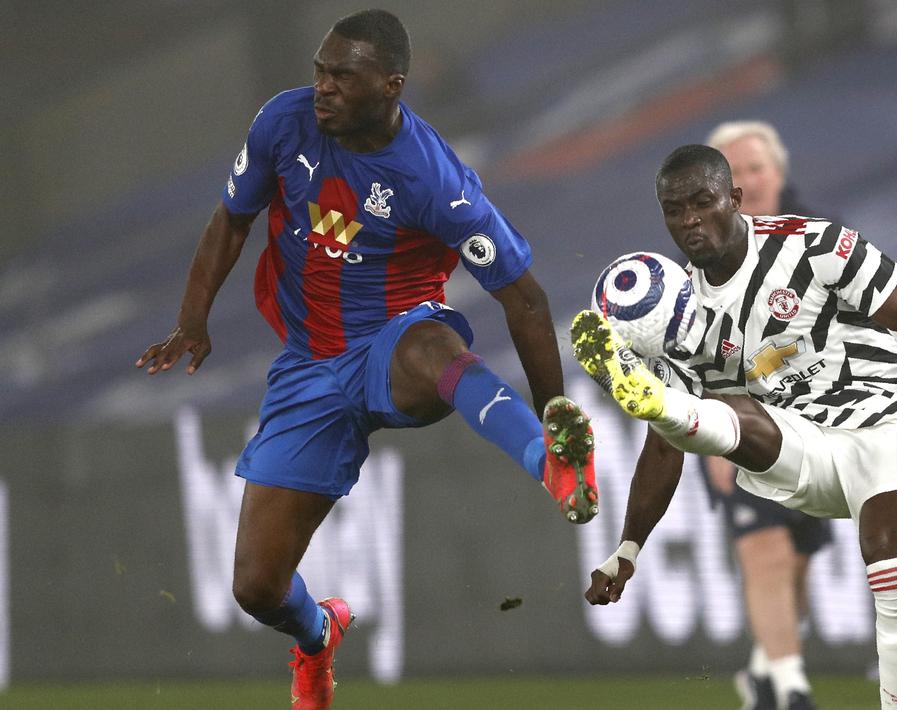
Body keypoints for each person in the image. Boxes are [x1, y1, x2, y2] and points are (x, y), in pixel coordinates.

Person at [134, 10, 597, 709]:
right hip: (307, 367)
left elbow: (526, 302)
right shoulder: (282, 124)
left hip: (393, 339)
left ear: (391, 85)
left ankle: (550, 460)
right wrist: (192, 320)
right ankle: (318, 636)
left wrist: (554, 409)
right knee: (256, 586)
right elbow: (233, 217)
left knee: (436, 345)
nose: (321, 87)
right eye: (319, 70)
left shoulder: (433, 179)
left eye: (340, 76)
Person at [573, 144, 897, 710]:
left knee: (891, 556)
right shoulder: (679, 312)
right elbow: (665, 452)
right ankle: (657, 398)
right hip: (804, 447)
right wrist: (628, 549)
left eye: (702, 203)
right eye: (673, 210)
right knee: (707, 412)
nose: (689, 222)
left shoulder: (814, 245)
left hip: (893, 421)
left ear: (734, 199)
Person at [702, 120, 834, 710]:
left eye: (757, 168)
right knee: (766, 552)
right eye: (736, 174)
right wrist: (711, 440)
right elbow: (690, 354)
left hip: (815, 426)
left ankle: (763, 670)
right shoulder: (704, 258)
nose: (750, 182)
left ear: (779, 173)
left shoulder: (823, 242)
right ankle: (790, 689)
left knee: (799, 561)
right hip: (743, 427)